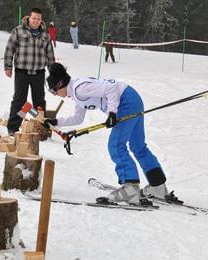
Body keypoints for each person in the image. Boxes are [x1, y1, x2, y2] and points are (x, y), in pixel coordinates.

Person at [43, 63, 170, 205]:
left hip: (125, 102)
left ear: (59, 84)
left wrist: (112, 113)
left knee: (116, 146)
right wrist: (55, 121)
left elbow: (111, 88)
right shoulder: (77, 93)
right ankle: (157, 186)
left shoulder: (80, 89)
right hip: (132, 99)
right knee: (138, 146)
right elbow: (77, 119)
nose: (56, 95)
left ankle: (130, 189)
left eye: (54, 92)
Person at [4, 8, 55, 136]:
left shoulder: (45, 35)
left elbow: (50, 55)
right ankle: (13, 127)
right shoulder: (18, 31)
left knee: (39, 101)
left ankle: (40, 127)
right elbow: (10, 49)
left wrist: (53, 73)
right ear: (29, 18)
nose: (36, 21)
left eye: (38, 19)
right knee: (19, 101)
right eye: (34, 18)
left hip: (39, 73)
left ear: (41, 20)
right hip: (22, 72)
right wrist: (8, 67)